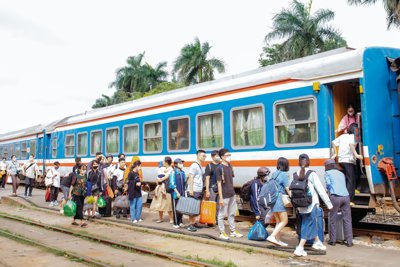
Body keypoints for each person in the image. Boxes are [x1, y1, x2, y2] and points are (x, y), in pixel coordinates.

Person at [293, 154, 333, 257]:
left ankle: (317, 242)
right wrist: (329, 204)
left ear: (299, 162)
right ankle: (300, 248)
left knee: (310, 222)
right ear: (308, 162)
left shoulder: (295, 174)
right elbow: (321, 190)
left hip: (300, 204)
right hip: (311, 204)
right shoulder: (311, 174)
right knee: (308, 224)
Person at [324, 159, 353, 247]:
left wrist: (328, 193)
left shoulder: (327, 173)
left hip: (335, 197)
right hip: (346, 197)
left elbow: (328, 185)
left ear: (327, 166)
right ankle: (349, 241)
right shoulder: (341, 173)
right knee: (347, 219)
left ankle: (333, 240)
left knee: (333, 219)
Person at [332, 123, 363, 203]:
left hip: (341, 161)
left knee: (346, 180)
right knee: (351, 181)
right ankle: (348, 200)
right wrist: (357, 155)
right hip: (348, 161)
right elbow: (351, 145)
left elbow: (333, 143)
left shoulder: (343, 136)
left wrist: (335, 154)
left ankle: (345, 197)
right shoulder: (355, 137)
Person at [216, 148, 243, 240]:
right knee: (221, 214)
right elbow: (219, 183)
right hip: (224, 195)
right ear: (222, 157)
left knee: (231, 214)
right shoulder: (219, 168)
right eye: (227, 155)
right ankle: (222, 232)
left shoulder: (230, 166)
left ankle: (232, 231)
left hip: (232, 193)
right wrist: (221, 198)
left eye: (229, 155)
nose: (229, 157)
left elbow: (231, 179)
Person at [267, 157, 290, 247]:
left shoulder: (274, 174)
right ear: (286, 165)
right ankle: (272, 236)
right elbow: (287, 188)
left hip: (272, 199)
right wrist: (292, 196)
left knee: (278, 221)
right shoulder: (284, 174)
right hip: (279, 199)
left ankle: (278, 241)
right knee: (284, 221)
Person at [187, 150, 206, 232]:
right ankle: (190, 225)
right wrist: (191, 190)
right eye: (203, 156)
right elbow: (191, 177)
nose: (204, 157)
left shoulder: (199, 165)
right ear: (198, 156)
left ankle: (194, 223)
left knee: (195, 208)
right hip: (194, 189)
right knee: (192, 208)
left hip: (198, 190)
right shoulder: (194, 165)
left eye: (205, 156)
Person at [151, 157, 173, 223]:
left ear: (166, 162)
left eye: (163, 161)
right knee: (159, 203)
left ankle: (171, 219)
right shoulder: (164, 169)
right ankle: (161, 218)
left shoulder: (170, 169)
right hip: (161, 187)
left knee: (168, 204)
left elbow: (166, 177)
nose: (162, 162)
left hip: (166, 188)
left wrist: (160, 179)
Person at [169, 158, 186, 229]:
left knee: (181, 208)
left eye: (182, 163)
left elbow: (184, 182)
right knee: (176, 208)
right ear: (176, 164)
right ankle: (176, 223)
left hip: (182, 193)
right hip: (176, 194)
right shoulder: (173, 172)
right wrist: (177, 192)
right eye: (180, 163)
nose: (182, 164)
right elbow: (172, 184)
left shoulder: (182, 172)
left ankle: (180, 221)